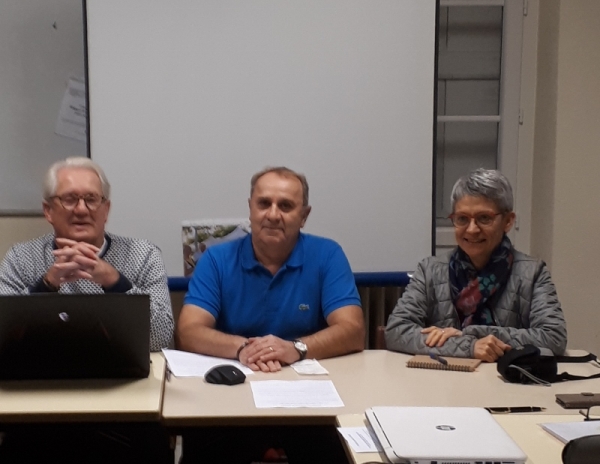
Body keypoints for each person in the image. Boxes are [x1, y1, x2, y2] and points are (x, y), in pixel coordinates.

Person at [176, 166, 365, 463]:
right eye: (264, 203)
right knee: (202, 445)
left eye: (286, 206)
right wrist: (243, 348)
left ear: (304, 215)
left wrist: (296, 348)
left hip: (308, 402)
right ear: (250, 208)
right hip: (232, 399)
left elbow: (352, 329)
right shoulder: (216, 259)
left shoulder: (327, 254)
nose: (273, 214)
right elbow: (189, 330)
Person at [385, 168, 567, 362]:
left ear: (507, 221)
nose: (472, 230)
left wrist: (468, 333)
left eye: (484, 218)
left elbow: (553, 338)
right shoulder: (429, 270)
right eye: (462, 219)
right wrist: (468, 347)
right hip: (443, 384)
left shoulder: (533, 273)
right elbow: (396, 331)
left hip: (509, 386)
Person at [0, 156, 174, 352]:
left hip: (122, 374)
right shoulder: (21, 257)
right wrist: (46, 285)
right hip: (44, 375)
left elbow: (160, 338)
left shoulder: (143, 255)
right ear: (48, 211)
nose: (81, 210)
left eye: (91, 199)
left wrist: (115, 282)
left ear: (106, 210)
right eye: (69, 199)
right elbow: (3, 338)